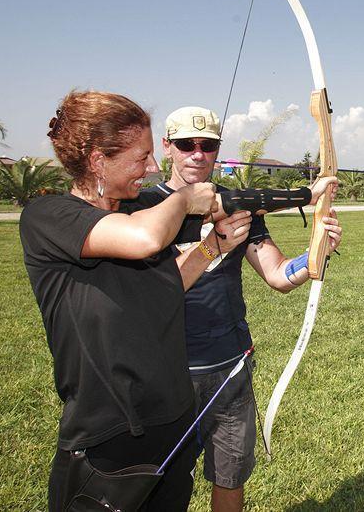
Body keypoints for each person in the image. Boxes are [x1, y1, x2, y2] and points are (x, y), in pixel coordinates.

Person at [20, 91, 237, 511]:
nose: (153, 167)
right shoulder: (48, 217)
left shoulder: (141, 208)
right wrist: (184, 199)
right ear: (99, 160)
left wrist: (215, 247)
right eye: (142, 158)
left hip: (172, 418)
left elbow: (162, 286)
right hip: (109, 434)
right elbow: (143, 240)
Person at [145, 106, 341, 512]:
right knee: (159, 488)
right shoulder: (145, 208)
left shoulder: (239, 206)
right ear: (167, 148)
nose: (198, 154)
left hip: (230, 366)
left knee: (230, 477)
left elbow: (276, 274)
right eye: (186, 145)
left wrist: (315, 254)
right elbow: (156, 289)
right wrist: (211, 244)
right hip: (167, 371)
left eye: (208, 146)